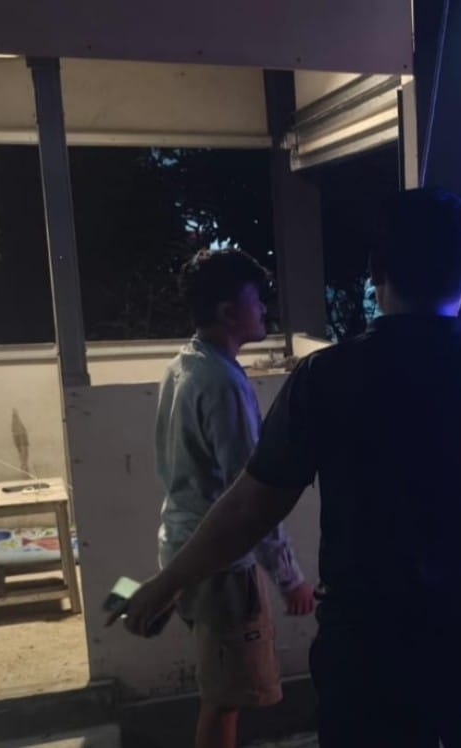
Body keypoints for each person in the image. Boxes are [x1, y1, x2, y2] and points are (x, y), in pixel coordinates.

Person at [117, 188, 461, 747]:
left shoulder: (324, 378)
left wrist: (166, 584)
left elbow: (248, 508)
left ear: (377, 271)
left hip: (366, 647)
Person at [154, 249, 315, 748]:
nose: (264, 308)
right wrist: (289, 576)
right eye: (256, 299)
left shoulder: (184, 365)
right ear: (228, 312)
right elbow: (250, 498)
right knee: (224, 699)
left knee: (220, 692)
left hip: (184, 548)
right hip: (222, 568)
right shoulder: (223, 383)